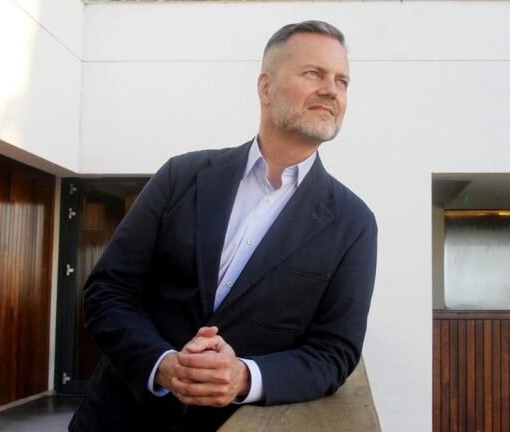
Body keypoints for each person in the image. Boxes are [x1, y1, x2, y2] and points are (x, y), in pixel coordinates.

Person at [68, 20, 377, 431]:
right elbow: (107, 290)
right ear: (265, 87)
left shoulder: (354, 223)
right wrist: (162, 364)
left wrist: (244, 377)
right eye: (313, 73)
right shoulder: (181, 176)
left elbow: (335, 351)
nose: (331, 90)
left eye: (342, 81)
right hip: (116, 419)